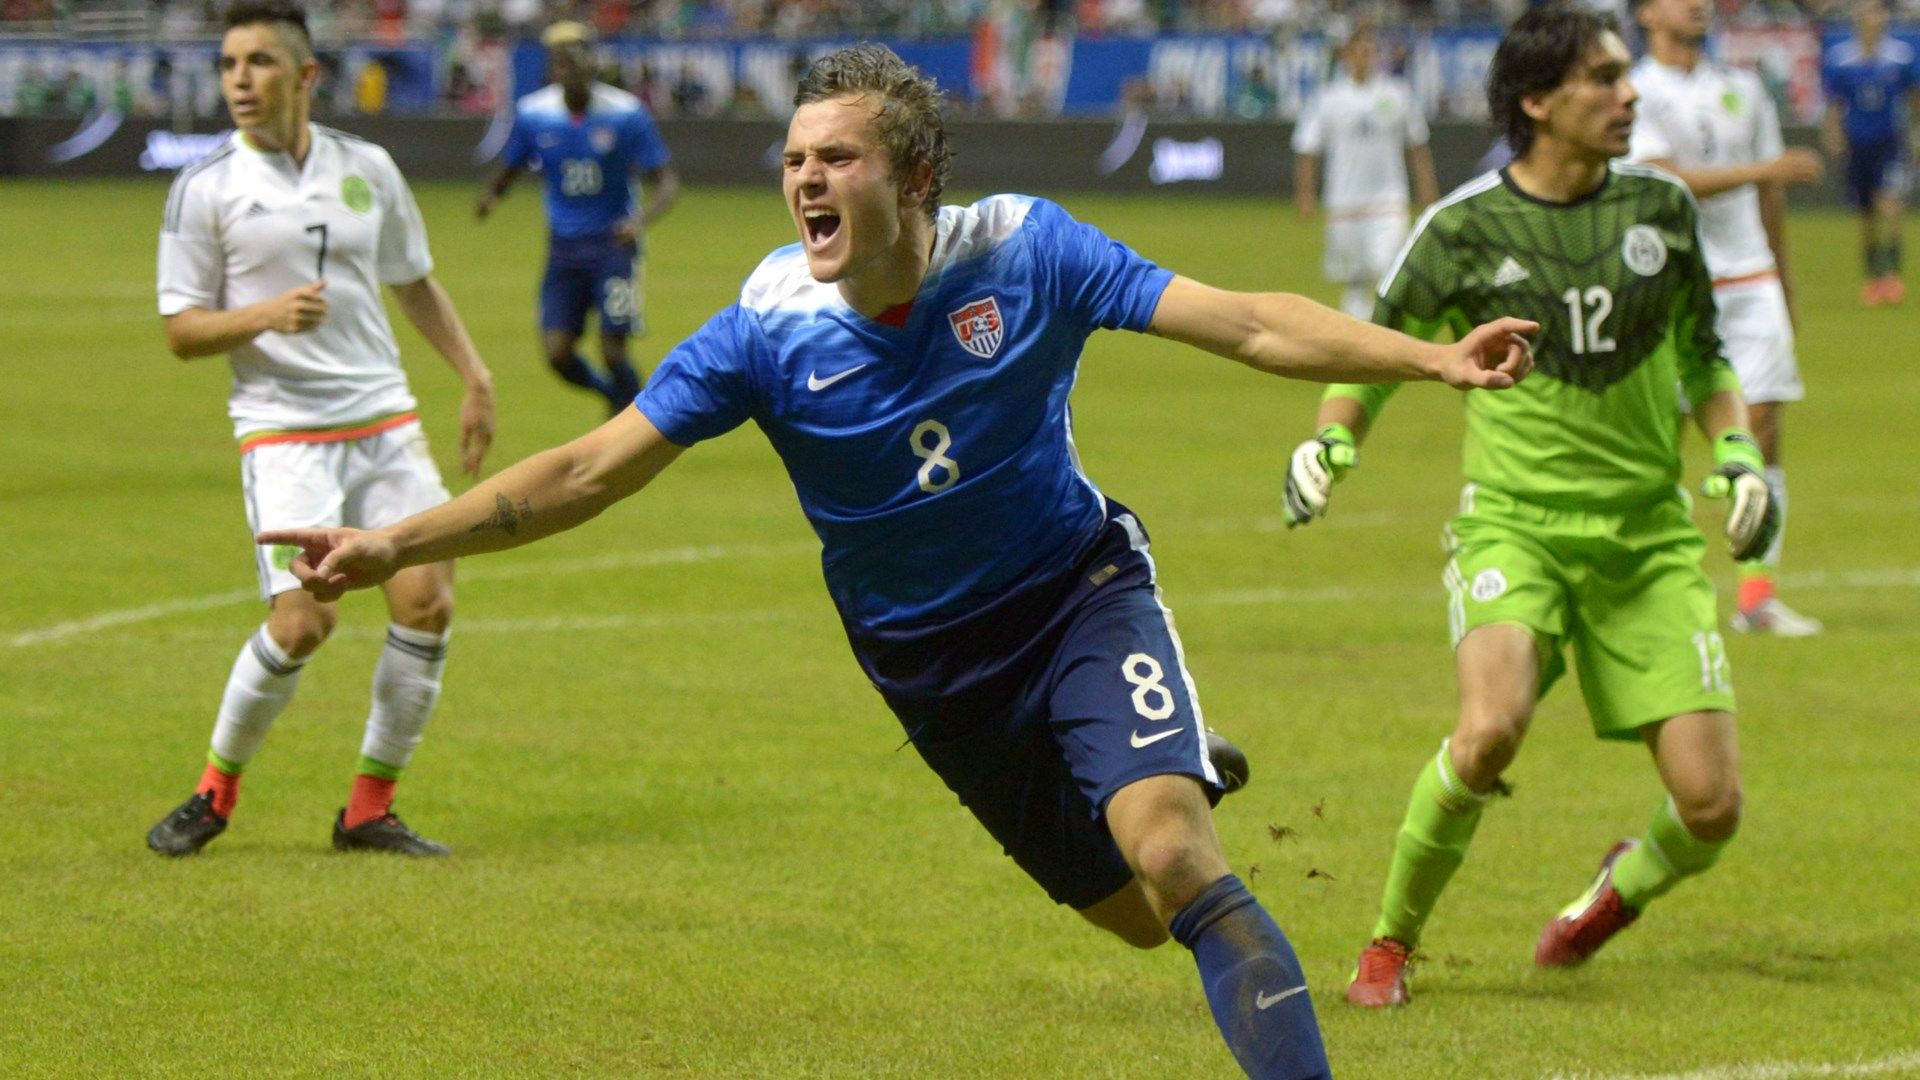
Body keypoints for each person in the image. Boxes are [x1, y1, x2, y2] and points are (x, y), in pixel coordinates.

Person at [261, 44, 1536, 1079]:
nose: (806, 180)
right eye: (794, 159)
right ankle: (1158, 763)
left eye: (837, 158)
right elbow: (589, 470)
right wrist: (393, 543)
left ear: (915, 175)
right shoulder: (765, 332)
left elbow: (1248, 323)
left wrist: (1429, 359)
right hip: (931, 670)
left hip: (1077, 595)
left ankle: (1159, 779)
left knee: (1170, 856)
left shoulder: (1028, 251)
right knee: (1139, 921)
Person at [1281, 4, 1779, 1008]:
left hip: (1647, 541)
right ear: (1539, 101)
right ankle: (1388, 945)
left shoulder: (1661, 209)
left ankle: (1617, 889)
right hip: (1516, 527)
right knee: (1490, 730)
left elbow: (1703, 355)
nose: (1629, 95)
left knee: (1713, 806)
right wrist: (1332, 438)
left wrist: (1736, 452)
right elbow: (1380, 348)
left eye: (1626, 76)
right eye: (1605, 78)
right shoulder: (1461, 226)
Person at [147, 1, 496, 858]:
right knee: (303, 623)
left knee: (428, 603)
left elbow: (412, 279)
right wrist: (263, 315)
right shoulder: (206, 186)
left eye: (260, 62)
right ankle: (214, 793)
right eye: (229, 64)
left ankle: (369, 810)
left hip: (385, 420)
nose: (240, 80)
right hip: (285, 432)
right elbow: (182, 332)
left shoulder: (366, 167)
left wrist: (474, 374)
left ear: (305, 75)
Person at [1627, 0, 1823, 637]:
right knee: (1660, 441)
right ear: (1647, 13)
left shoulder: (1743, 88)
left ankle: (1756, 598)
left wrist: (1783, 279)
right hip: (1672, 283)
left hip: (1750, 277)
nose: (1699, 4)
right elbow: (1663, 182)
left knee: (1763, 427)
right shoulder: (1632, 90)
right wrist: (1765, 169)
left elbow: (1770, 197)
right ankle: (1647, 590)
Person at [475, 20, 679, 416]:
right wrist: (491, 196)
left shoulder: (625, 113)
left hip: (614, 244)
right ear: (551, 69)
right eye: (561, 61)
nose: (570, 68)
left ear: (593, 64)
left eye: (578, 58)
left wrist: (640, 220)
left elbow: (666, 182)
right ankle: (614, 398)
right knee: (557, 353)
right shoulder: (534, 113)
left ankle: (636, 421)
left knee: (612, 349)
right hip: (564, 248)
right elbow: (512, 164)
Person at [1291, 14, 1438, 319]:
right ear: (1345, 54)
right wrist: (1305, 194)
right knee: (1354, 282)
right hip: (1344, 205)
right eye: (1357, 49)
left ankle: (1389, 332)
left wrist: (1427, 190)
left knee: (1389, 271)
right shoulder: (1328, 98)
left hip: (1388, 203)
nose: (1364, 55)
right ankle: (1358, 335)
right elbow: (1307, 149)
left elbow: (1417, 145)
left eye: (1370, 49)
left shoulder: (1397, 94)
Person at [1822, 0, 1919, 307]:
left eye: (1877, 12)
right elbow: (1835, 103)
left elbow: (1914, 98)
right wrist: (1833, 132)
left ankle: (1893, 275)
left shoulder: (1900, 57)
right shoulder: (1841, 59)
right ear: (1857, 19)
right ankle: (1873, 276)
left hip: (1890, 143)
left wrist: (1916, 136)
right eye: (1866, 13)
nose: (1872, 18)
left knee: (1890, 204)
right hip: (1858, 144)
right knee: (1866, 215)